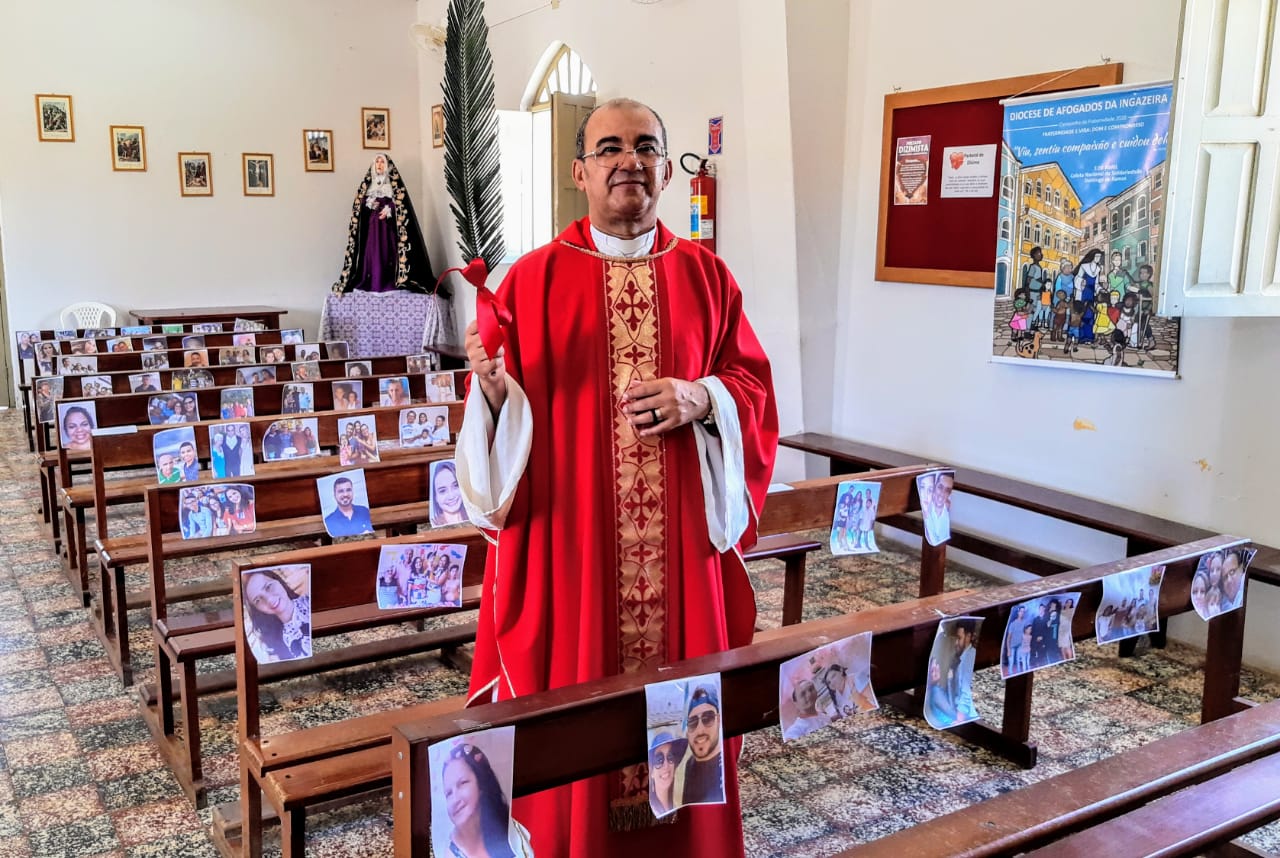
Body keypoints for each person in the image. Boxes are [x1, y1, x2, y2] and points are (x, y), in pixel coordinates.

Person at [455, 98, 776, 855]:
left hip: (681, 568)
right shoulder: (530, 282)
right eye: (609, 147)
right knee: (574, 718)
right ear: (580, 171)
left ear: (666, 168)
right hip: (575, 554)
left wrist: (705, 397)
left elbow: (755, 389)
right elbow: (498, 433)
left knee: (688, 703)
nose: (628, 159)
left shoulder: (708, 276)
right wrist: (494, 392)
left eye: (645, 146)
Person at [333, 154, 439, 294]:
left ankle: (389, 281)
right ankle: (372, 281)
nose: (379, 164)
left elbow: (402, 206)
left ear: (387, 166)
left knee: (388, 251)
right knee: (372, 251)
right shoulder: (368, 186)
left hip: (387, 227)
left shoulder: (393, 186)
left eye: (382, 162)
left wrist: (389, 209)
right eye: (377, 162)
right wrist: (369, 203)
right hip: (372, 226)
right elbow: (360, 205)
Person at [440, 743, 527, 858]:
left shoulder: (512, 828)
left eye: (463, 783)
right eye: (449, 793)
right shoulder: (449, 853)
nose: (455, 799)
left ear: (481, 784)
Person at [242, 568, 312, 663]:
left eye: (268, 587)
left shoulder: (311, 603)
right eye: (257, 600)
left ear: (279, 581)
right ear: (257, 610)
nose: (269, 600)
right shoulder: (276, 642)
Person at [673, 685, 724, 806]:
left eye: (708, 718)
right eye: (692, 722)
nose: (700, 730)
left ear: (718, 720)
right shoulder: (689, 764)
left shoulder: (724, 763)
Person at [646, 731, 687, 819]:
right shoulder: (651, 809)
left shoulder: (681, 803)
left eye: (670, 757)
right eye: (659, 759)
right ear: (651, 771)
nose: (666, 765)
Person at [430, 461, 468, 527]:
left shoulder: (476, 517)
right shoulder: (435, 523)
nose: (451, 496)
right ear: (436, 497)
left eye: (456, 486)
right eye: (442, 491)